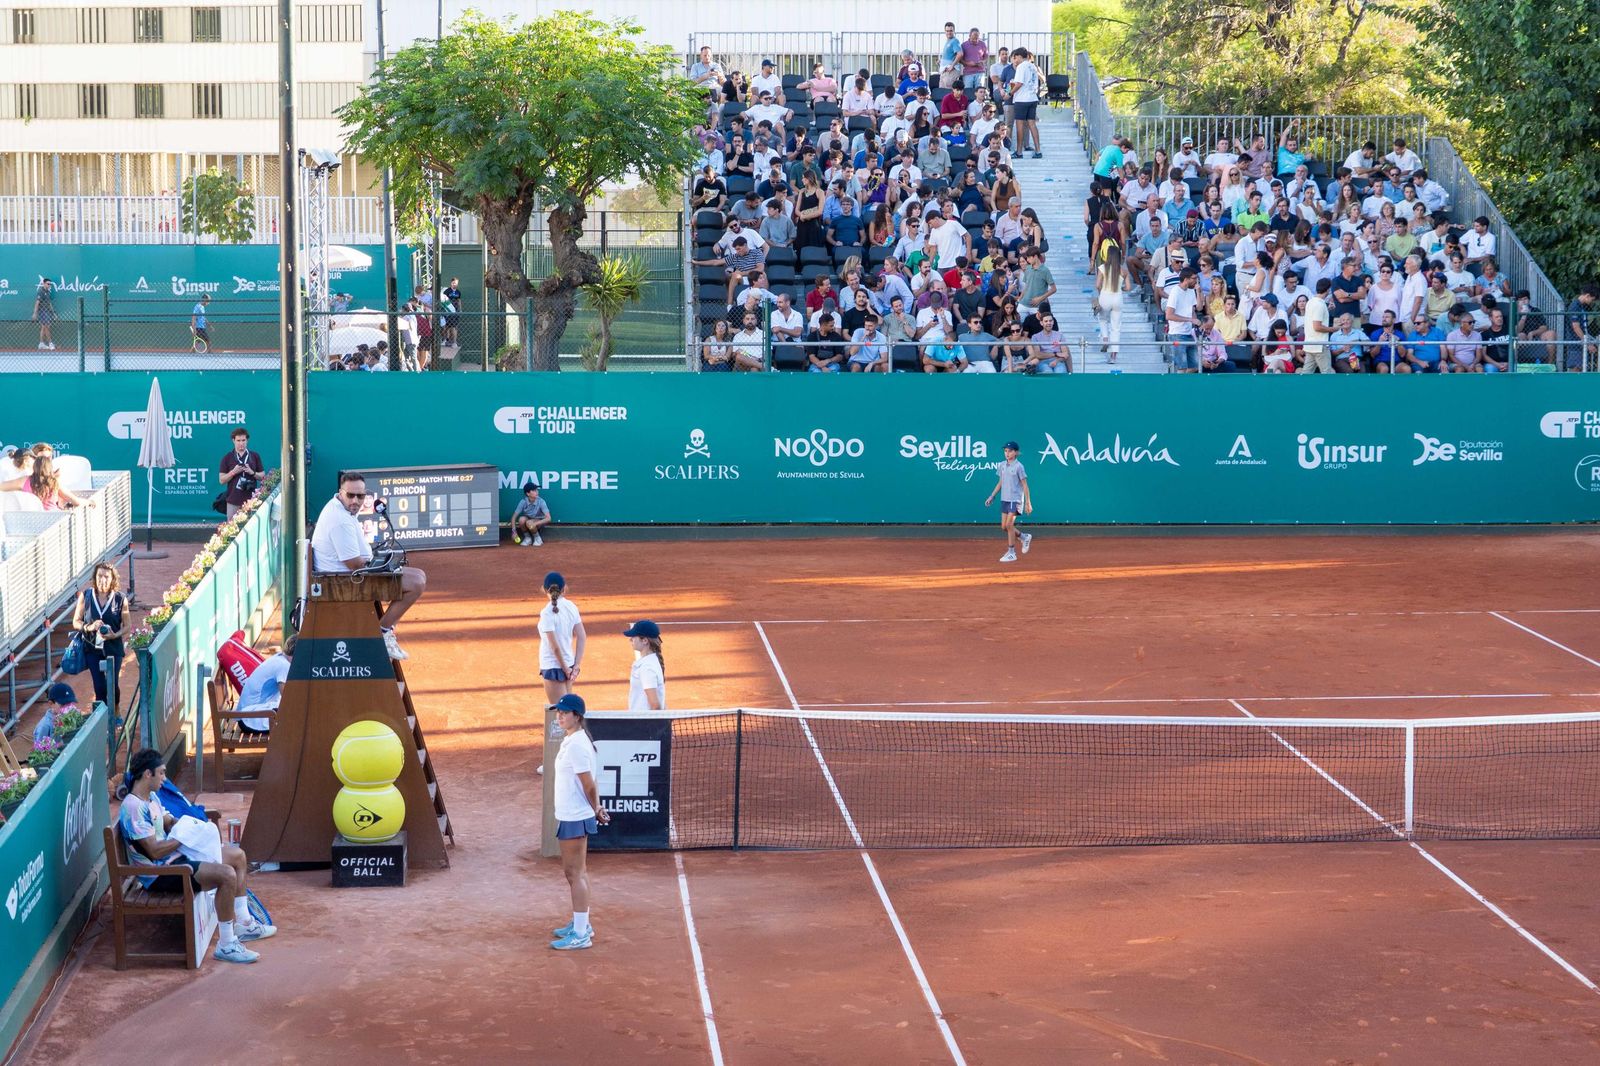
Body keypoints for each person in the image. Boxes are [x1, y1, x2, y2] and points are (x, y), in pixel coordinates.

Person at [118, 748, 275, 964]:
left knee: (237, 856)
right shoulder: (133, 808)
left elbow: (168, 821)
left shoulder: (152, 797)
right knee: (227, 875)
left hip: (175, 857)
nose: (165, 778)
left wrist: (190, 828)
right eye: (161, 773)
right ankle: (227, 945)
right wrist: (183, 838)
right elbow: (154, 851)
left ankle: (245, 924)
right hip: (160, 874)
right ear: (148, 774)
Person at [310, 471, 426, 661]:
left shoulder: (341, 508)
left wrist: (379, 560)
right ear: (341, 492)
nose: (356, 500)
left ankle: (385, 631)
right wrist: (380, 566)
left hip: (348, 577)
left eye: (360, 496)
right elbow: (354, 564)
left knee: (418, 574)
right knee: (416, 584)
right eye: (351, 495)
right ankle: (381, 633)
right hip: (344, 583)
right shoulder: (340, 520)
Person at [549, 694, 609, 951]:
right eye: (558, 711)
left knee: (575, 873)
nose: (560, 715)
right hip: (570, 814)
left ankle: (581, 933)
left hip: (575, 816)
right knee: (574, 873)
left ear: (578, 716)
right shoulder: (572, 740)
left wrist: (596, 808)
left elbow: (588, 784)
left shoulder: (576, 745)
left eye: (565, 712)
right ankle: (580, 923)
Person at [72, 561, 127, 708]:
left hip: (113, 648)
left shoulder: (120, 599)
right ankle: (102, 720)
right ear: (95, 577)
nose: (102, 580)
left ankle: (115, 710)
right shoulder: (86, 596)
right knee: (99, 687)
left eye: (106, 577)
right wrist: (90, 627)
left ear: (112, 579)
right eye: (99, 576)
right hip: (92, 649)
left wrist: (114, 635)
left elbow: (127, 627)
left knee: (113, 684)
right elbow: (76, 622)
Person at [538, 572, 585, 711]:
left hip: (554, 667)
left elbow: (555, 648)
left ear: (545, 590)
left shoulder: (547, 613)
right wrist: (575, 666)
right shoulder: (571, 606)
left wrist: (565, 669)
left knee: (562, 715)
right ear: (564, 589)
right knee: (567, 712)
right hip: (569, 665)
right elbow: (582, 636)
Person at [985, 441, 1032, 564]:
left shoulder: (1019, 467)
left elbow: (1025, 486)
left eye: (1010, 451)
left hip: (1015, 499)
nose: (1007, 453)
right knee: (1004, 527)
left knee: (1009, 525)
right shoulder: (1001, 465)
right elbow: (1000, 482)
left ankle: (1011, 553)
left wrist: (1028, 503)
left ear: (1016, 453)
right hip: (1004, 499)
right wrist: (992, 496)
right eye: (1005, 451)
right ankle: (1023, 537)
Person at [234, 636, 293, 733]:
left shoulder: (280, 657)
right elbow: (287, 699)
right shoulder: (284, 665)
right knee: (294, 717)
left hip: (247, 714)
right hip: (249, 719)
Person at [218, 426, 264, 519]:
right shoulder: (227, 457)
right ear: (233, 441)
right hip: (233, 500)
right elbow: (221, 480)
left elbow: (262, 476)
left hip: (251, 500)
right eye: (238, 440)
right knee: (232, 529)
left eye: (243, 440)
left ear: (247, 441)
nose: (241, 443)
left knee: (251, 528)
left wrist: (252, 472)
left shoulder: (254, 456)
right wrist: (233, 472)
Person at [623, 620, 666, 712]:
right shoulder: (652, 661)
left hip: (643, 724)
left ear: (645, 641)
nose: (630, 639)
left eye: (634, 637)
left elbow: (655, 705)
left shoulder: (646, 668)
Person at [506, 480, 552, 547]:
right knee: (521, 519)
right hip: (529, 521)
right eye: (534, 490)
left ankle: (538, 538)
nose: (537, 492)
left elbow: (549, 518)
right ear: (528, 494)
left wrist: (535, 524)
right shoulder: (523, 502)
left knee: (529, 523)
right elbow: (514, 517)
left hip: (539, 522)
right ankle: (528, 538)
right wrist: (514, 531)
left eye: (537, 490)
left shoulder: (541, 501)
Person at [33, 682, 79, 746]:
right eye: (63, 704)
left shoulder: (68, 718)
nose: (68, 708)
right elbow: (40, 752)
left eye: (70, 704)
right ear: (51, 703)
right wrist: (58, 745)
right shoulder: (44, 726)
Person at [33, 277, 56, 350]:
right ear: (43, 283)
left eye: (50, 284)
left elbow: (49, 303)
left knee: (43, 327)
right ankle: (50, 343)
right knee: (46, 327)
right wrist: (35, 313)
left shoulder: (48, 292)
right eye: (48, 284)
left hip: (47, 311)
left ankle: (41, 343)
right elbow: (37, 303)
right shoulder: (40, 291)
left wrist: (53, 313)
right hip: (42, 312)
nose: (49, 285)